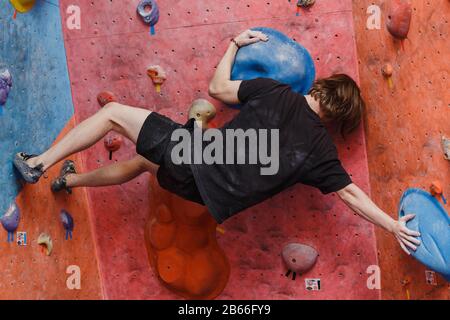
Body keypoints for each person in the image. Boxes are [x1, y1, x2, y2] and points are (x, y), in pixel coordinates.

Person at [13, 30, 420, 255]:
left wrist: (234, 43)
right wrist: (392, 226)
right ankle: (68, 182)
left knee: (111, 115)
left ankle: (39, 163)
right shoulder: (320, 152)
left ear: (323, 86)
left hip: (194, 160)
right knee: (141, 164)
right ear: (337, 120)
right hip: (203, 198)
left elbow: (217, 87)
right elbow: (351, 194)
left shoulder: (277, 91)